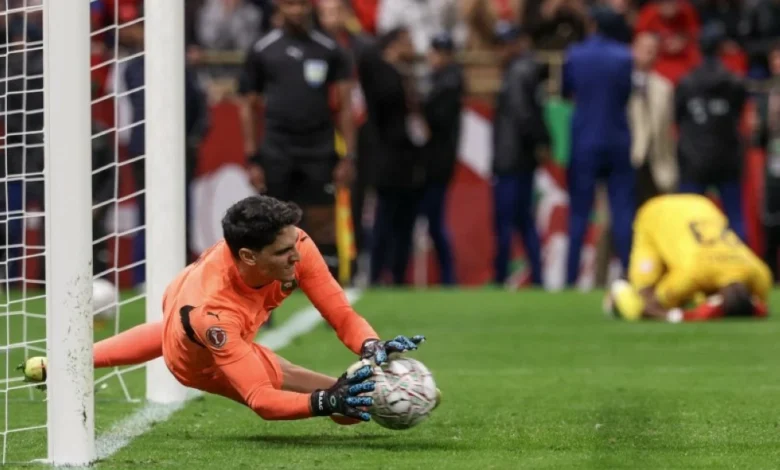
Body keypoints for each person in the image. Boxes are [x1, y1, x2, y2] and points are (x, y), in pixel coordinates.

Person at [20, 195, 428, 423]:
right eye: (283, 253)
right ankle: (372, 398)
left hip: (187, 304)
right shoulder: (215, 314)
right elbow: (262, 400)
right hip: (199, 355)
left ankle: (62, 362)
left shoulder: (294, 244)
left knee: (171, 330)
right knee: (340, 407)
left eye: (294, 245)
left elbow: (340, 313)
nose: (296, 257)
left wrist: (370, 345)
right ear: (249, 256)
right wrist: (326, 401)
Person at [240, 0, 357, 279]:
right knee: (271, 224)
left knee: (322, 222)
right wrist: (252, 157)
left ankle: (326, 292)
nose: (297, 11)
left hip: (319, 148)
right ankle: (268, 293)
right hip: (277, 149)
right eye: (291, 4)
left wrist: (348, 156)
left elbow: (345, 106)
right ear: (280, 6)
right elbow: (248, 106)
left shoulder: (330, 48)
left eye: (302, 4)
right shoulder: (262, 48)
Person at [608, 194, 772, 323]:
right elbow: (651, 306)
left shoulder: (760, 274)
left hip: (702, 204)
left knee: (691, 295)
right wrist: (675, 316)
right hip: (655, 214)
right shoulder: (692, 275)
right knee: (641, 300)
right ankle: (619, 291)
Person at [562, 5, 635, 286]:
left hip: (585, 141)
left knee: (579, 213)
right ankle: (630, 275)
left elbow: (567, 91)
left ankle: (570, 279)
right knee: (622, 212)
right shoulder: (623, 56)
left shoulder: (575, 54)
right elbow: (626, 94)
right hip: (617, 140)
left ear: (593, 25)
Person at [675, 24, 748, 241]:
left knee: (689, 219)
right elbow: (738, 112)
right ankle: (739, 261)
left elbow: (677, 116)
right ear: (721, 48)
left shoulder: (687, 82)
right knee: (734, 217)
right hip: (727, 156)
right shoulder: (734, 82)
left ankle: (688, 261)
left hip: (693, 158)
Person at [491, 22, 549, 288]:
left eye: (504, 44)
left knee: (507, 221)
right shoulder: (525, 70)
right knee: (525, 221)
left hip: (512, 158)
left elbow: (523, 115)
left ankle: (501, 275)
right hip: (520, 157)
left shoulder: (517, 72)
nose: (500, 50)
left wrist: (538, 141)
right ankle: (537, 276)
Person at [420, 32, 464, 286]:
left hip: (436, 162)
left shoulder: (448, 82)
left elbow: (436, 119)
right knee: (433, 221)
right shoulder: (443, 79)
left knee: (435, 221)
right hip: (437, 160)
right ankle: (448, 276)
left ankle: (449, 276)